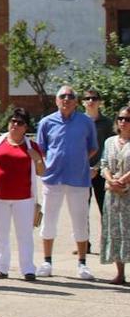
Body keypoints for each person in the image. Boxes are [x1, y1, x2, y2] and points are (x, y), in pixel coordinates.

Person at [36, 85, 99, 279]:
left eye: (70, 96)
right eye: (62, 96)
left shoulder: (85, 121)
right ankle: (47, 262)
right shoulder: (46, 122)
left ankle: (82, 263)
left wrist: (78, 160)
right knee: (48, 222)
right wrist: (55, 161)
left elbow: (92, 148)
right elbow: (42, 149)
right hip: (53, 179)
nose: (66, 99)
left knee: (80, 222)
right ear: (56, 100)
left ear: (76, 101)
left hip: (78, 179)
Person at [0, 108, 45, 281]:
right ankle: (1, 268)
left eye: (20, 123)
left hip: (24, 198)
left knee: (25, 234)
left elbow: (41, 172)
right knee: (0, 234)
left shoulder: (32, 146)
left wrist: (36, 158)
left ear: (26, 127)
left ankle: (28, 269)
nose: (15, 125)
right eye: (13, 121)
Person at [99, 106, 130, 284]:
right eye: (120, 118)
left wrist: (124, 180)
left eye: (127, 119)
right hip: (112, 194)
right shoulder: (110, 142)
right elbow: (103, 164)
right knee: (115, 231)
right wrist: (111, 180)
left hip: (128, 193)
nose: (123, 122)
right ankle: (120, 273)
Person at [84, 90, 115, 218]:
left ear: (100, 102)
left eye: (94, 98)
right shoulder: (78, 122)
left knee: (105, 209)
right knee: (82, 211)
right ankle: (84, 239)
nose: (91, 101)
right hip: (82, 172)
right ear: (83, 102)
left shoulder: (107, 123)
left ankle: (106, 238)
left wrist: (96, 168)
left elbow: (111, 148)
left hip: (101, 172)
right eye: (88, 98)